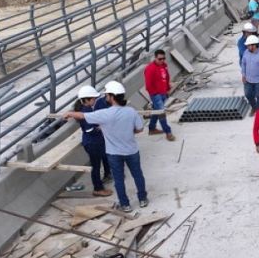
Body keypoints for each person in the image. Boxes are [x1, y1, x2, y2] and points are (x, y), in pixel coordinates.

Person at [64, 80, 147, 212]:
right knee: (138, 175)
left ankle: (125, 204)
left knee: (118, 180)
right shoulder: (131, 112)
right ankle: (142, 199)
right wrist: (127, 130)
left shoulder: (104, 114)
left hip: (114, 153)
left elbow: (82, 115)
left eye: (107, 95)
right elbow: (140, 129)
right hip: (131, 150)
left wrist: (70, 113)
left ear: (112, 97)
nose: (105, 97)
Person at [75, 85, 112, 198]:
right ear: (86, 100)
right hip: (92, 143)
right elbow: (89, 129)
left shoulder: (87, 109)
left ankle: (104, 178)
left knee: (99, 162)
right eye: (93, 99)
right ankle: (98, 188)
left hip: (95, 142)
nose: (94, 100)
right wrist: (101, 127)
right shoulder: (85, 112)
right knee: (95, 166)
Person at [144, 50, 175, 142]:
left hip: (163, 93)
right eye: (160, 59)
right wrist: (155, 94)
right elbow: (148, 85)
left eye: (163, 58)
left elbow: (166, 79)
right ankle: (168, 132)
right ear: (155, 58)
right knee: (161, 113)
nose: (162, 60)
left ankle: (152, 128)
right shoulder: (150, 69)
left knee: (156, 111)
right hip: (156, 94)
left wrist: (167, 89)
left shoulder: (163, 66)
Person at [240, 35, 259, 113]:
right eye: (247, 46)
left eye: (249, 45)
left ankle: (258, 110)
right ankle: (254, 107)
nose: (248, 47)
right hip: (248, 79)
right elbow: (243, 64)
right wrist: (243, 74)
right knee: (248, 94)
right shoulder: (246, 52)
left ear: (254, 45)